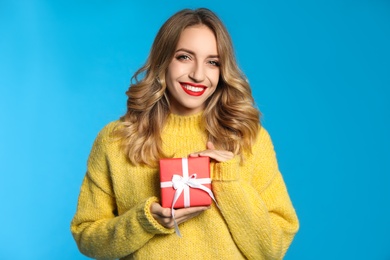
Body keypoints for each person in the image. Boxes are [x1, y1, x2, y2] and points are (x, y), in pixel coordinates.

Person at [71, 7, 299, 260]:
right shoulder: (117, 139)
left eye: (213, 62)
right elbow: (86, 236)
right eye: (184, 57)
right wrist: (145, 221)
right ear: (163, 60)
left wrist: (227, 182)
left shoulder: (248, 137)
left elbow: (272, 249)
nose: (198, 75)